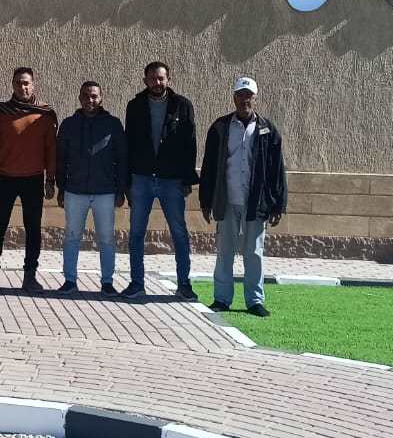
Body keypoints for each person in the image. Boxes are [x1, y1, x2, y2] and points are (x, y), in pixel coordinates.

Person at [200, 77, 287, 317]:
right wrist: (206, 200)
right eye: (240, 95)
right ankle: (221, 299)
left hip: (255, 203)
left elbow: (277, 169)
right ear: (234, 97)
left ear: (255, 98)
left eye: (248, 95)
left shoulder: (268, 130)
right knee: (224, 252)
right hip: (226, 200)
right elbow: (209, 166)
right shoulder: (220, 127)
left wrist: (278, 204)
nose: (244, 100)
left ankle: (255, 301)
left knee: (254, 253)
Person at [122, 61, 198, 299]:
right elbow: (128, 143)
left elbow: (190, 144)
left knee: (179, 233)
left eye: (161, 78)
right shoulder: (135, 106)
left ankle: (184, 285)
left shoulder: (182, 106)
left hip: (171, 180)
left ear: (168, 79)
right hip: (141, 178)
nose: (157, 82)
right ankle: (137, 284)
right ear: (145, 80)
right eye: (153, 78)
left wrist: (187, 178)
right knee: (136, 234)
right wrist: (127, 181)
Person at [0, 67, 58, 293]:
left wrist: (50, 179)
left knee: (33, 229)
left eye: (26, 83)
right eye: (18, 83)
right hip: (5, 179)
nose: (22, 87)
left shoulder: (45, 114)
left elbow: (51, 149)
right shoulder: (0, 112)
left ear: (33, 84)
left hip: (33, 180)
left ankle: (30, 277)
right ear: (12, 85)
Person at [55, 81, 128, 295]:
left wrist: (121, 189)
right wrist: (61, 187)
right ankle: (70, 281)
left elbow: (122, 158)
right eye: (86, 96)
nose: (90, 100)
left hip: (105, 191)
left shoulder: (113, 124)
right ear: (80, 98)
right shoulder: (69, 124)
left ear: (101, 98)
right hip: (74, 190)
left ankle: (107, 282)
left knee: (106, 238)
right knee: (72, 236)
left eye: (94, 96)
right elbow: (60, 159)